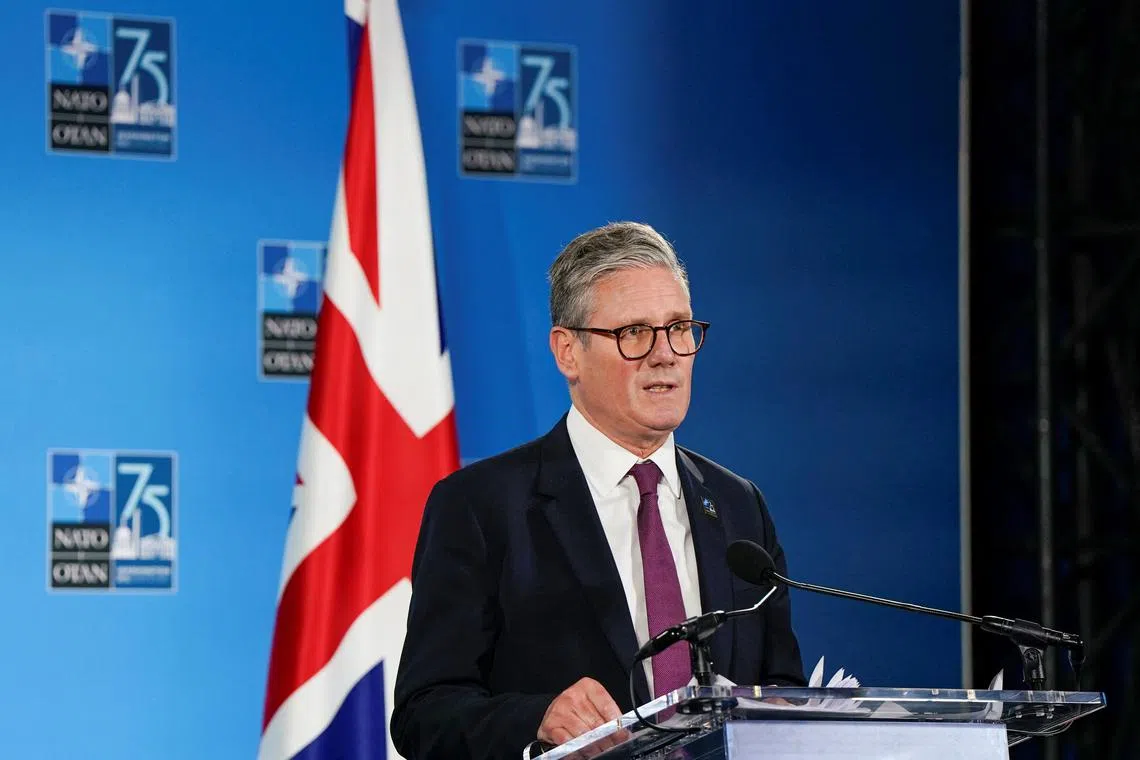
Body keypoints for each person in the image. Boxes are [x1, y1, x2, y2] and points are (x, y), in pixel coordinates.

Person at [391, 222, 805, 760]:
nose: (666, 355)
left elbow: (781, 692)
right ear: (568, 352)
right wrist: (535, 720)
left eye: (679, 328)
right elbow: (425, 711)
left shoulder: (738, 506)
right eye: (634, 333)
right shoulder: (482, 507)